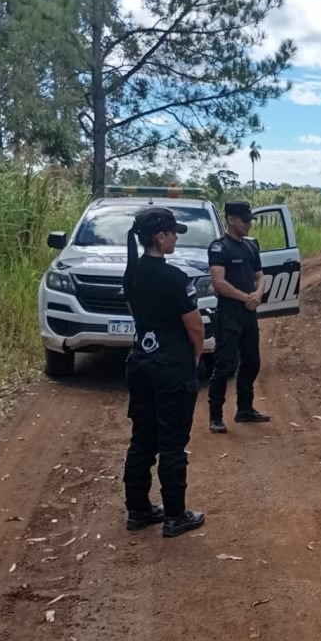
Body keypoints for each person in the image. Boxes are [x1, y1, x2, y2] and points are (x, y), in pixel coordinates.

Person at [122, 205, 206, 538]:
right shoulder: (175, 279)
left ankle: (138, 510)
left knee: (142, 438)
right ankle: (175, 515)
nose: (175, 239)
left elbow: (138, 315)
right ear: (160, 237)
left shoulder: (132, 274)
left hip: (141, 361)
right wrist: (193, 358)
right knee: (172, 442)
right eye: (172, 234)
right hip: (171, 366)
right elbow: (195, 328)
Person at [206, 200, 270, 434]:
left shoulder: (251, 246)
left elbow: (260, 276)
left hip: (248, 314)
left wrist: (258, 293)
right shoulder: (219, 248)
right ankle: (215, 416)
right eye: (244, 220)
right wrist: (246, 297)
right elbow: (219, 282)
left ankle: (245, 409)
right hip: (229, 314)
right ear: (231, 219)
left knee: (252, 362)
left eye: (250, 220)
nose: (248, 224)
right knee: (225, 365)